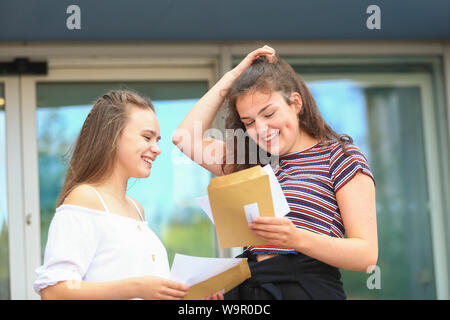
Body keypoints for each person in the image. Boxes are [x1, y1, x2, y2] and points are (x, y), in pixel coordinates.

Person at [172, 46, 378, 299]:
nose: (261, 128)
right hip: (250, 286)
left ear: (296, 103)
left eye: (269, 113)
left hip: (307, 288)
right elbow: (184, 138)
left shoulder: (339, 157)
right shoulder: (252, 161)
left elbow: (366, 254)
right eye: (249, 122)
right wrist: (231, 79)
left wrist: (295, 237)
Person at [34, 90, 195, 300]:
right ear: (112, 135)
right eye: (147, 137)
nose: (157, 149)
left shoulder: (136, 209)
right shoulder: (85, 198)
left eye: (157, 140)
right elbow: (55, 291)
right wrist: (137, 288)